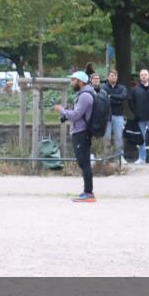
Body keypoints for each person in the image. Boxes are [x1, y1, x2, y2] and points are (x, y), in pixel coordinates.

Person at [54, 71, 97, 202]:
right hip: (82, 131)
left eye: (73, 80)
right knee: (84, 162)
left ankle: (88, 193)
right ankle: (87, 192)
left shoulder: (85, 96)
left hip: (81, 132)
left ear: (80, 82)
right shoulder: (86, 93)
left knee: (84, 163)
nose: (71, 82)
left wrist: (61, 109)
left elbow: (76, 115)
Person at [103, 69, 128, 156]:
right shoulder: (103, 87)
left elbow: (123, 97)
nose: (114, 77)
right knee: (107, 137)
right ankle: (106, 156)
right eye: (112, 76)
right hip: (107, 116)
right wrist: (117, 100)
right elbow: (105, 99)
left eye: (115, 76)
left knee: (119, 137)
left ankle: (119, 156)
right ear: (108, 77)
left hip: (118, 115)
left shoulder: (122, 88)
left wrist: (111, 96)